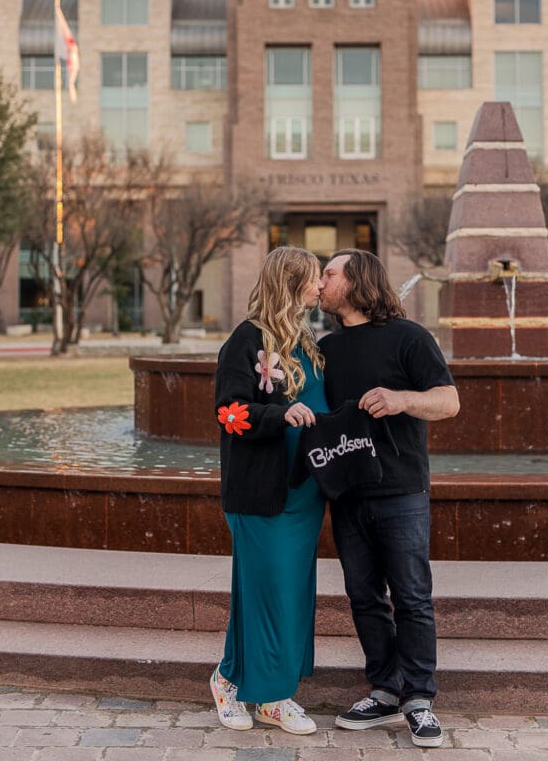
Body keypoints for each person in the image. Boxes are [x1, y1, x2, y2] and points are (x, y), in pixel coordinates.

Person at [318, 249, 459, 749]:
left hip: (402, 491)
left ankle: (419, 700)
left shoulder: (410, 337)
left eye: (330, 273)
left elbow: (449, 401)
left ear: (357, 281)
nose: (321, 281)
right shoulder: (326, 349)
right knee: (364, 598)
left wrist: (402, 400)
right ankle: (383, 689)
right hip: (348, 494)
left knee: (413, 598)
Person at [210, 246, 326, 735]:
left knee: (291, 594)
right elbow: (228, 412)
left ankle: (271, 696)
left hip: (304, 494)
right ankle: (233, 680)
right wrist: (281, 414)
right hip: (261, 494)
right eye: (315, 279)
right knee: (263, 594)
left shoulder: (308, 340)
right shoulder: (247, 339)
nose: (321, 288)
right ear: (292, 282)